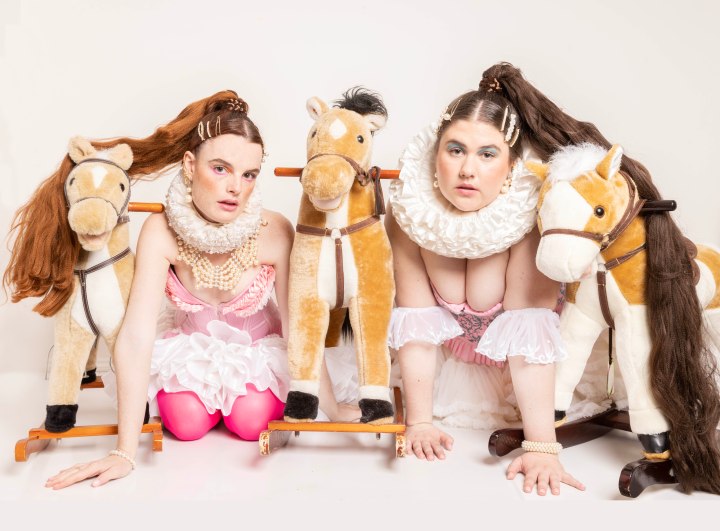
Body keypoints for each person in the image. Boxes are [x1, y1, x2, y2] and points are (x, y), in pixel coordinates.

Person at [44, 91, 357, 489]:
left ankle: (252, 410)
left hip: (258, 356)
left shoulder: (275, 230)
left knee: (251, 420)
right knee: (185, 423)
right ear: (190, 165)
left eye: (249, 174)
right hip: (190, 356)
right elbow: (136, 335)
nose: (235, 187)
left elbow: (300, 327)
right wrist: (123, 451)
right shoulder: (160, 231)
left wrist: (332, 408)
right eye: (221, 168)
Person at [385, 62, 636, 496]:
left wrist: (542, 447)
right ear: (435, 153)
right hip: (451, 369)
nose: (467, 169)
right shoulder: (410, 212)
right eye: (455, 150)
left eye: (487, 154)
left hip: (530, 377)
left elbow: (529, 338)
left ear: (511, 163)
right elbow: (416, 327)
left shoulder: (527, 218)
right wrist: (419, 422)